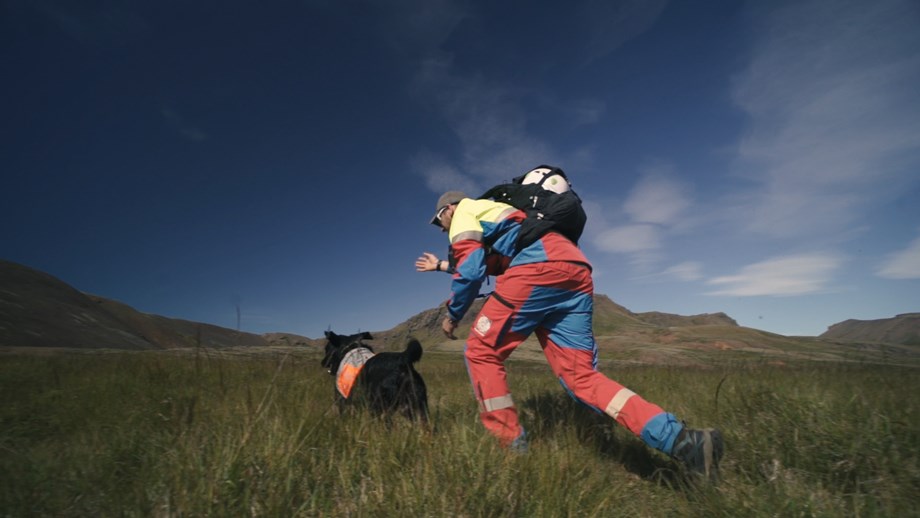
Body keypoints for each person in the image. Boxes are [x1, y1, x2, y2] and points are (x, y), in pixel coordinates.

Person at [420, 181, 724, 480]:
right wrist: (441, 266)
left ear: (448, 209)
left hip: (536, 269)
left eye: (439, 221)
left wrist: (453, 314)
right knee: (581, 377)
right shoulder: (502, 212)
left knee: (480, 352)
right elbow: (494, 263)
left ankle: (511, 451)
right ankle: (684, 442)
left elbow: (472, 270)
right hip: (574, 269)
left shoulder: (464, 211)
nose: (442, 228)